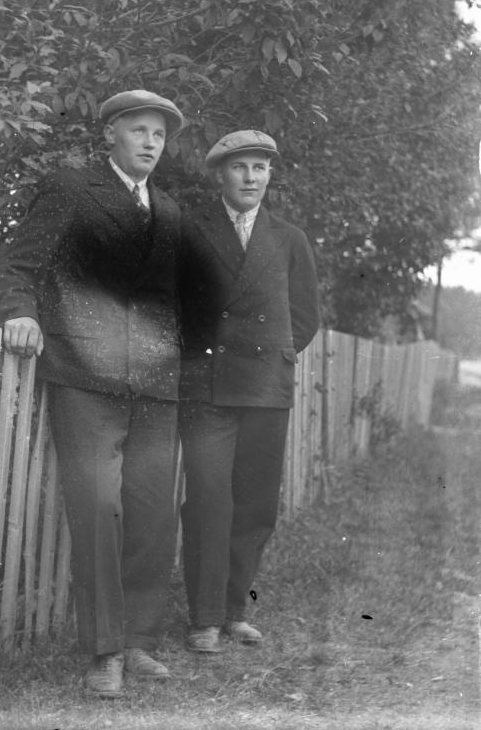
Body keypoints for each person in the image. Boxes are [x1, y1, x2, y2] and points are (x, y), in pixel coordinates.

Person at [0, 90, 185, 698]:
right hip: (84, 376)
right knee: (98, 508)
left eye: (159, 135)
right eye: (139, 130)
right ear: (110, 135)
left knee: (153, 511)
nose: (150, 143)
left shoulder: (170, 211)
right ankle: (104, 652)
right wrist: (21, 313)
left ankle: (138, 640)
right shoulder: (72, 190)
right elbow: (15, 267)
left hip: (156, 385)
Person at [178, 129, 319, 653]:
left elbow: (305, 317)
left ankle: (234, 610)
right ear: (221, 174)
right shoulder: (192, 231)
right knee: (209, 501)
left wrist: (270, 353)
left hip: (264, 385)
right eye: (240, 167)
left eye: (260, 168)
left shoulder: (289, 239)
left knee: (255, 504)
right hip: (207, 386)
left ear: (270, 175)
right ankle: (204, 618)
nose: (251, 178)